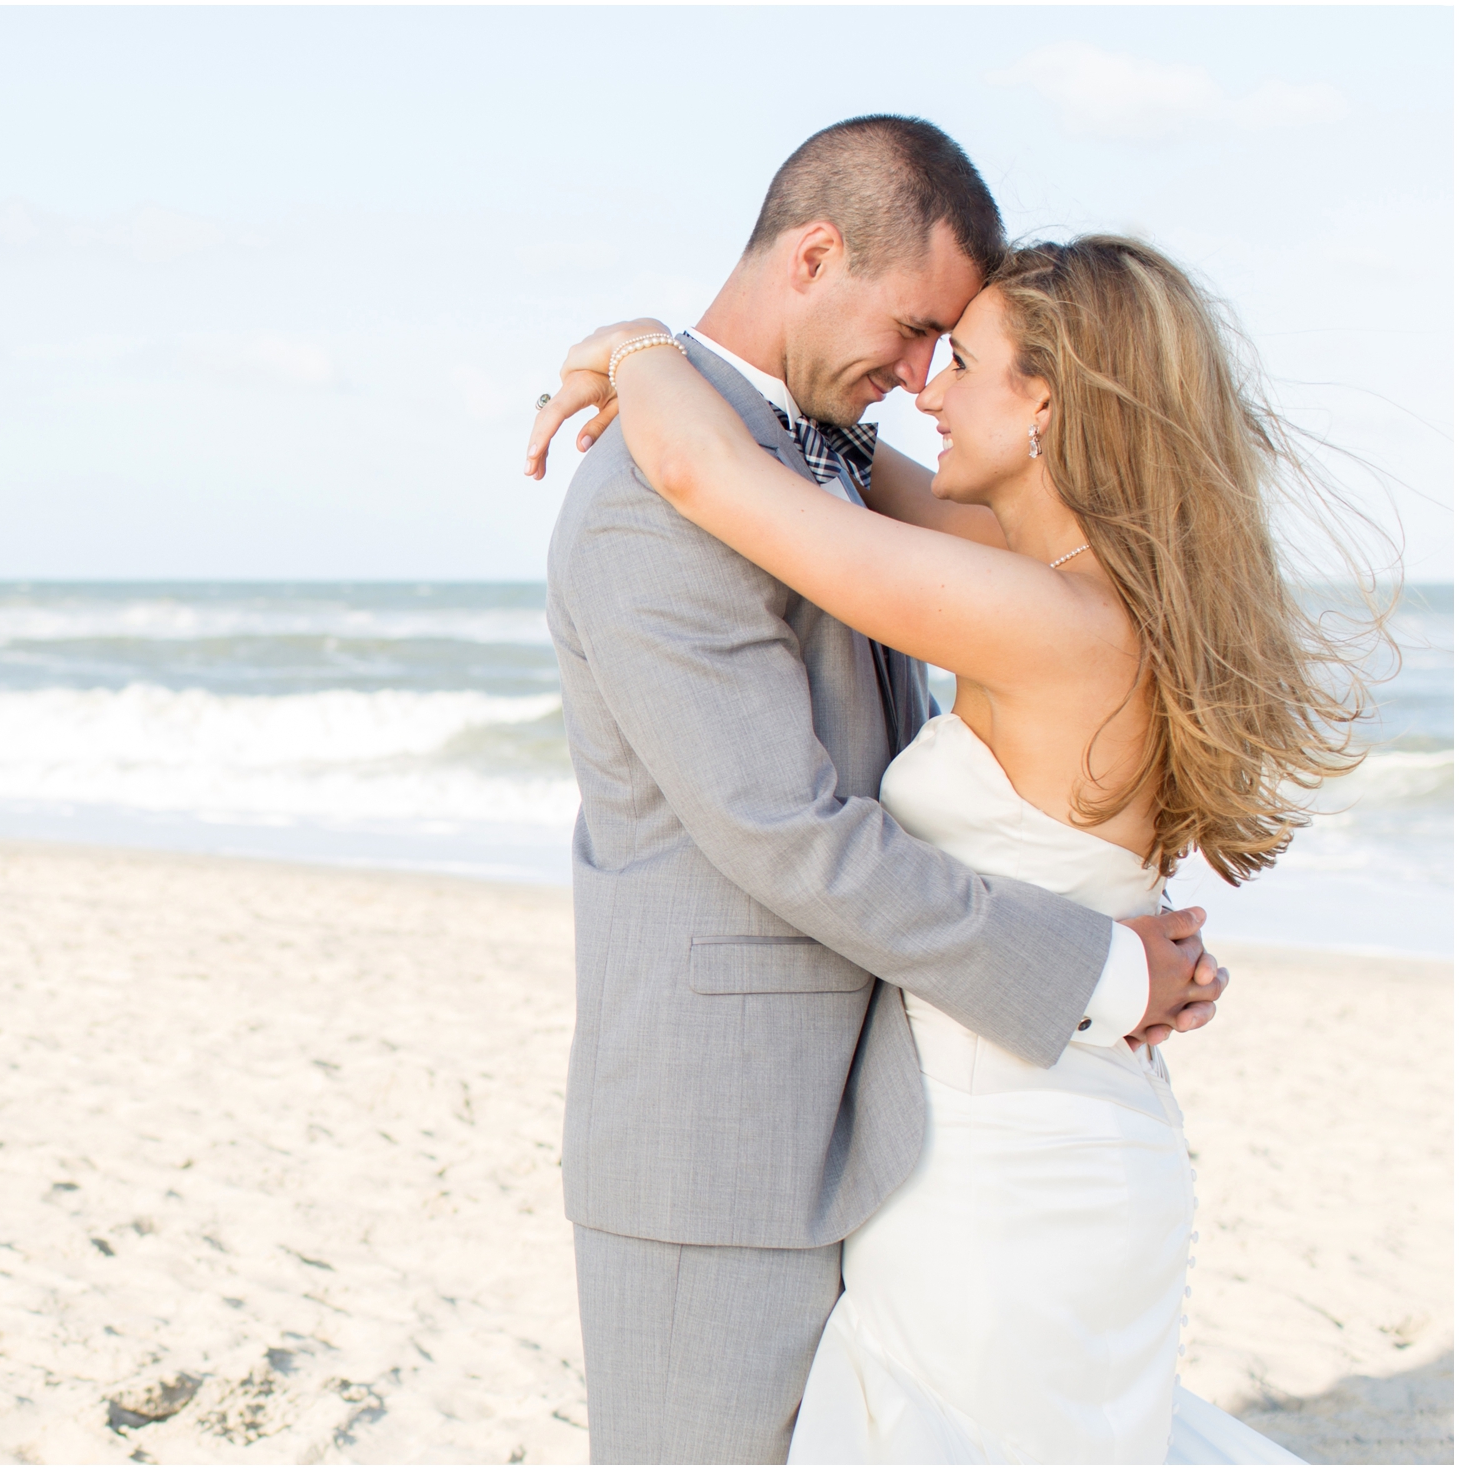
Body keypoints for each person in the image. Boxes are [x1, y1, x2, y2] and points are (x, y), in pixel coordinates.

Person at [529, 145, 1376, 1461]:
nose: (925, 380)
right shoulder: (1042, 562)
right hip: (953, 1139)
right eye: (920, 333)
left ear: (1048, 409)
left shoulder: (1034, 604)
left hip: (1002, 1166)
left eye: (957, 356)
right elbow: (812, 470)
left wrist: (641, 352)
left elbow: (722, 483)